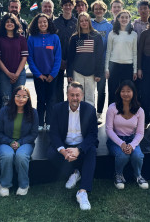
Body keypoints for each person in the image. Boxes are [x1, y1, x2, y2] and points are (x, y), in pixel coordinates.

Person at [48, 82, 98, 211]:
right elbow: (53, 133)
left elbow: (93, 135)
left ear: (82, 95)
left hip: (81, 144)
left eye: (77, 95)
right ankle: (74, 173)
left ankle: (82, 192)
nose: (74, 98)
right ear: (67, 95)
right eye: (71, 95)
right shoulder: (57, 109)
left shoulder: (90, 110)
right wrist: (63, 151)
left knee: (91, 150)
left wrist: (79, 149)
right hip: (65, 144)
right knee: (51, 153)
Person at [0, 86, 39, 196]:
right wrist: (10, 142)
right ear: (13, 97)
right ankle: (5, 185)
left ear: (28, 98)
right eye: (18, 96)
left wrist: (20, 143)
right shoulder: (4, 111)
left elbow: (33, 134)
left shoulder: (33, 112)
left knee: (21, 156)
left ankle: (24, 185)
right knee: (7, 155)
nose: (21, 99)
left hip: (25, 142)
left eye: (24, 96)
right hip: (4, 142)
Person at [105, 80, 148, 190]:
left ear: (133, 93)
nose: (125, 94)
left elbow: (140, 133)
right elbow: (109, 130)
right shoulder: (112, 108)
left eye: (128, 91)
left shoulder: (140, 110)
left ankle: (138, 175)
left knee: (138, 155)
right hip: (115, 140)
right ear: (119, 93)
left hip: (131, 139)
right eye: (123, 91)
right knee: (122, 155)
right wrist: (121, 143)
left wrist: (132, 145)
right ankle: (118, 175)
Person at [27, 13, 61, 130]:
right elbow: (30, 58)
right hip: (39, 75)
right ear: (36, 24)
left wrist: (53, 74)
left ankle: (49, 122)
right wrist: (38, 74)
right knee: (40, 99)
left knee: (51, 99)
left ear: (48, 23)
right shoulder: (31, 38)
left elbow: (58, 58)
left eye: (45, 22)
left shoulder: (54, 38)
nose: (43, 24)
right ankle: (40, 122)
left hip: (52, 75)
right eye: (40, 22)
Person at [67, 12, 104, 107]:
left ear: (89, 21)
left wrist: (98, 73)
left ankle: (89, 117)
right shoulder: (75, 37)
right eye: (81, 21)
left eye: (86, 20)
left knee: (90, 97)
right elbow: (70, 57)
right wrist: (69, 73)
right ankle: (78, 118)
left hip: (91, 72)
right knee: (78, 96)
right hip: (77, 71)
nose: (84, 23)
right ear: (78, 23)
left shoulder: (96, 36)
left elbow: (99, 56)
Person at [105, 10, 138, 106]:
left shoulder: (134, 34)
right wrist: (106, 68)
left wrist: (135, 70)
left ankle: (126, 115)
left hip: (128, 66)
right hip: (114, 65)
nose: (124, 19)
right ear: (118, 19)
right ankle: (112, 115)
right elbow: (108, 51)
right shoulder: (112, 34)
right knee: (113, 91)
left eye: (126, 17)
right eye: (122, 17)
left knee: (127, 92)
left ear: (129, 19)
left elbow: (135, 53)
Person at [0, 13, 28, 108]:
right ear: (3, 24)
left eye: (12, 22)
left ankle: (19, 121)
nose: (9, 24)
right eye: (7, 22)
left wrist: (17, 74)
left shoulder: (21, 38)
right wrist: (8, 73)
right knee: (6, 99)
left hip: (20, 73)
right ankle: (5, 122)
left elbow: (24, 57)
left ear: (16, 23)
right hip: (4, 74)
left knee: (19, 99)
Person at [91, 0, 113, 121]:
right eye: (96, 9)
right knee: (90, 89)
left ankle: (99, 113)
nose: (98, 11)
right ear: (93, 11)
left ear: (104, 11)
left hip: (104, 62)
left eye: (100, 9)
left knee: (101, 89)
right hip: (90, 62)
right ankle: (90, 111)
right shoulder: (90, 24)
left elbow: (110, 46)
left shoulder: (109, 26)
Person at [53, 0, 77, 103]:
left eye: (70, 5)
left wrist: (70, 60)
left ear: (73, 6)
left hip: (73, 59)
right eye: (65, 5)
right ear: (62, 7)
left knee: (72, 86)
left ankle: (71, 108)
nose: (67, 7)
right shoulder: (55, 23)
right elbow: (52, 42)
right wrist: (59, 59)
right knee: (58, 87)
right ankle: (60, 109)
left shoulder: (77, 22)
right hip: (58, 58)